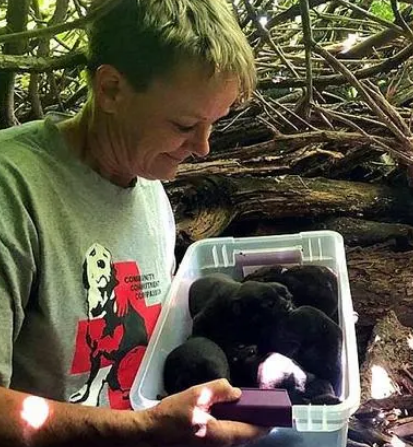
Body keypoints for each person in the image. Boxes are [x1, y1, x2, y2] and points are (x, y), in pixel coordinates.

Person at [0, 0, 266, 445]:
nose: (203, 147)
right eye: (184, 124)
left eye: (213, 124)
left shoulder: (148, 189)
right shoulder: (14, 190)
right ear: (110, 90)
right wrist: (144, 431)